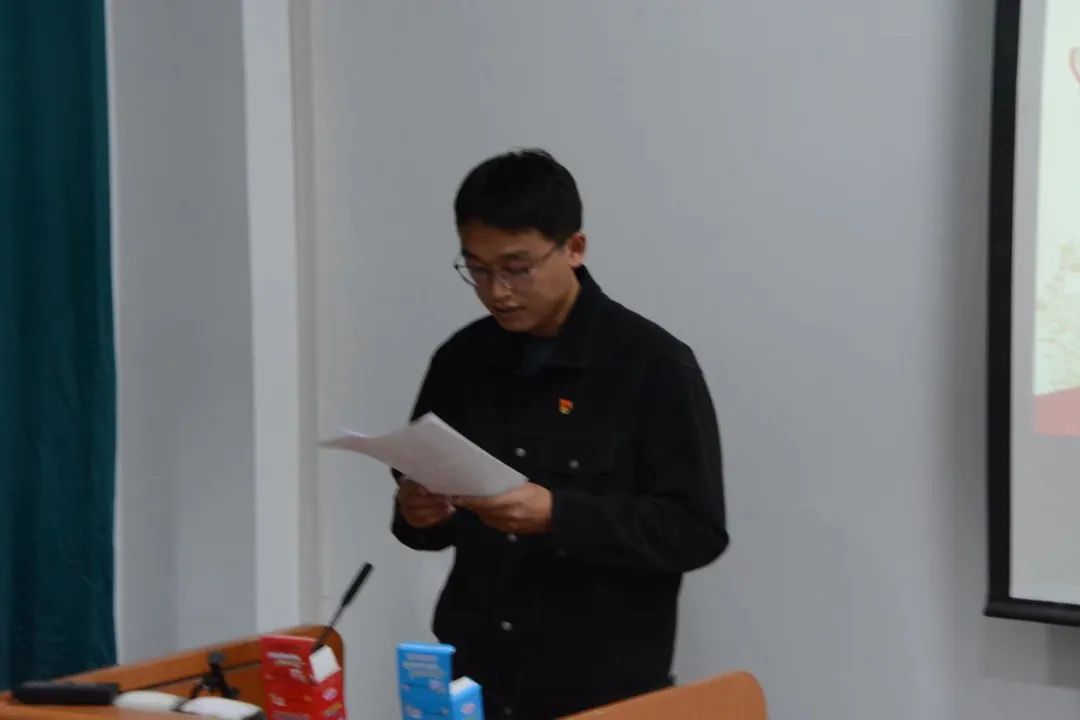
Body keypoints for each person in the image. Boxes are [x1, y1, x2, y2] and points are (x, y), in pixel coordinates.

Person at [392, 149, 728, 720]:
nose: (497, 291)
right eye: (477, 269)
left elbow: (695, 531)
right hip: (474, 677)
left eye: (517, 268)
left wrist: (558, 514)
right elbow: (424, 520)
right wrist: (419, 513)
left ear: (574, 248)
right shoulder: (460, 360)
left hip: (601, 689)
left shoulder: (653, 365)